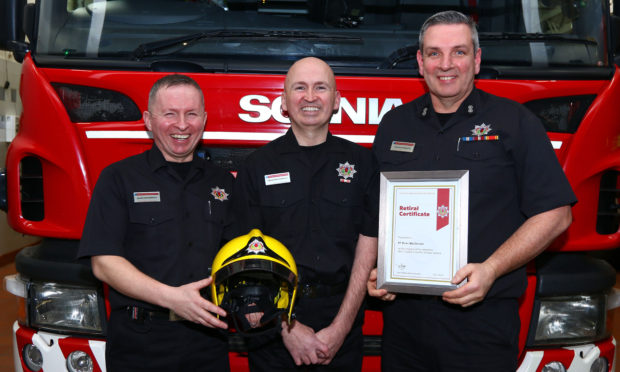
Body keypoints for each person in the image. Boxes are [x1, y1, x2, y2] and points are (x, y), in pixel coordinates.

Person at [368, 10, 576, 371]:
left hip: (481, 322)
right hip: (403, 323)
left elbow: (556, 214)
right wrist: (380, 270)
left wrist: (492, 269)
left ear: (477, 60)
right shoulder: (393, 124)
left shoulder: (515, 122)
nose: (445, 64)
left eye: (459, 52)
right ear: (420, 62)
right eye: (434, 53)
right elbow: (377, 215)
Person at [77, 74, 233, 372]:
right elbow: (104, 263)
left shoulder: (224, 184)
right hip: (141, 343)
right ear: (149, 120)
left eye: (191, 114)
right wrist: (173, 299)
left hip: (208, 342)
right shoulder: (118, 178)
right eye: (170, 114)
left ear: (204, 119)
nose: (182, 125)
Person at [233, 57, 379, 371]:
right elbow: (244, 255)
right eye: (299, 88)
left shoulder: (362, 164)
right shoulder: (256, 167)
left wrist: (341, 329)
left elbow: (368, 248)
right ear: (284, 102)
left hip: (341, 319)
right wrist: (287, 327)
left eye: (320, 88)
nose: (310, 97)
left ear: (337, 100)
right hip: (273, 328)